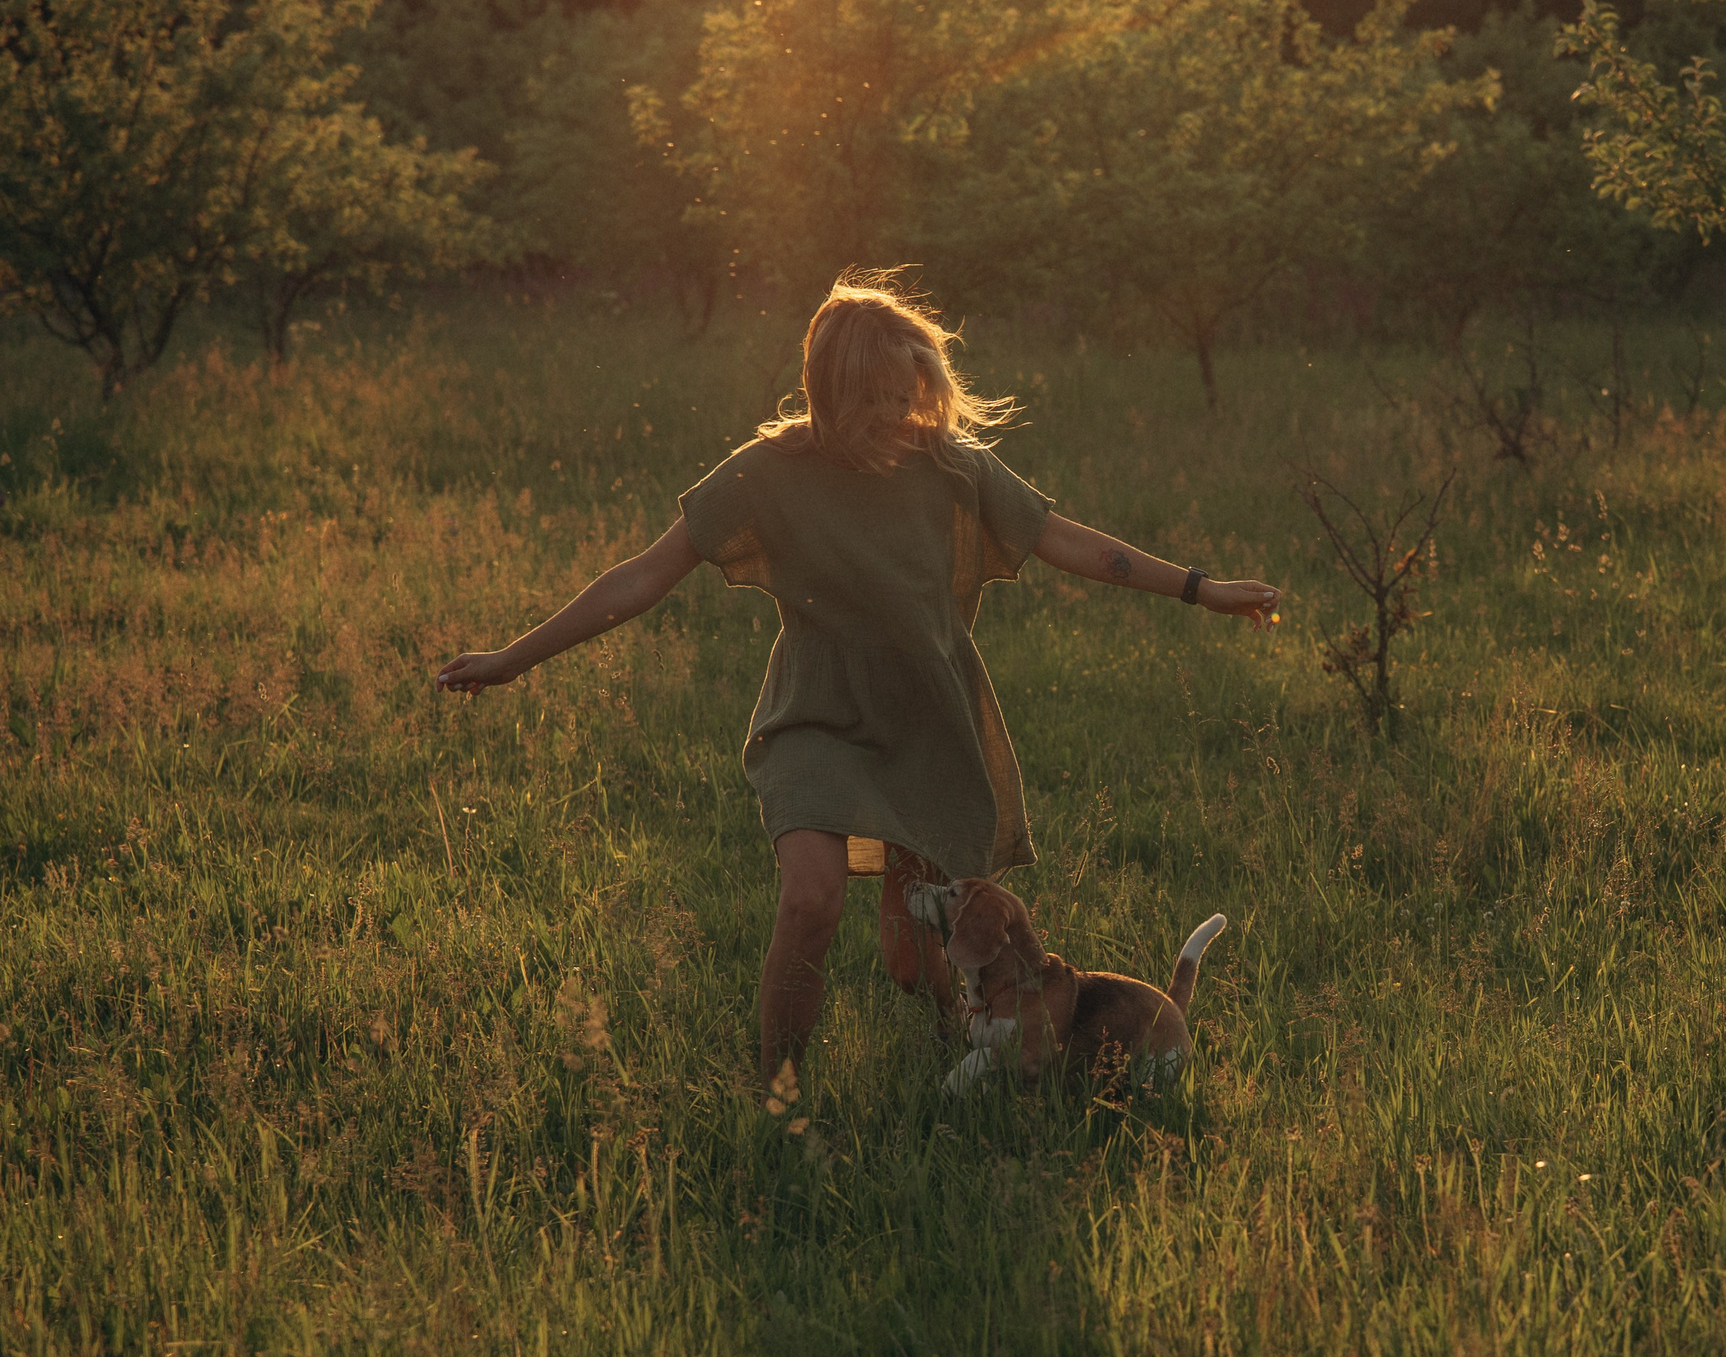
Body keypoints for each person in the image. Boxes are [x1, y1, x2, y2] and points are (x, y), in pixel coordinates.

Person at [434, 275, 1279, 1081]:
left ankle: (959, 1049)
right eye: (870, 398)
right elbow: (641, 576)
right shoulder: (767, 471)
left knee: (916, 962)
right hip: (818, 717)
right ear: (825, 390)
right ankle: (781, 1092)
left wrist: (1201, 589)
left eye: (904, 392)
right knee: (811, 897)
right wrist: (513, 657)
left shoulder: (953, 465)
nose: (893, 414)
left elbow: (1072, 541)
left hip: (929, 722)